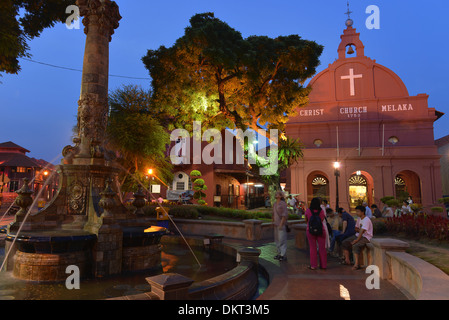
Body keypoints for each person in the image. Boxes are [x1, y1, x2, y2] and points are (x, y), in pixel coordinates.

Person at [341, 205, 373, 270]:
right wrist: (359, 231)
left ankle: (357, 264)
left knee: (356, 245)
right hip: (358, 235)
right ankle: (347, 260)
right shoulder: (359, 219)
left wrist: (357, 240)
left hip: (366, 237)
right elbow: (356, 229)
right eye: (356, 211)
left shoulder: (366, 220)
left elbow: (362, 231)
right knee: (344, 242)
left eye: (358, 211)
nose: (356, 213)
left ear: (363, 212)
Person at [305, 197, 327, 270]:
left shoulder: (308, 211)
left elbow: (306, 220)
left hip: (310, 231)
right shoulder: (321, 211)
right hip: (321, 231)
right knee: (322, 248)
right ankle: (323, 265)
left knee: (313, 248)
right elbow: (322, 219)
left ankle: (313, 265)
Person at [272, 191, 288, 261]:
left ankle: (283, 254)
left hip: (281, 224)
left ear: (281, 196)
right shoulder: (275, 204)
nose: (276, 194)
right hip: (276, 224)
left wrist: (281, 224)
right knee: (277, 239)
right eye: (275, 194)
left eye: (277, 194)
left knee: (282, 239)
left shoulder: (283, 204)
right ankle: (279, 253)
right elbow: (273, 213)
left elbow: (284, 215)